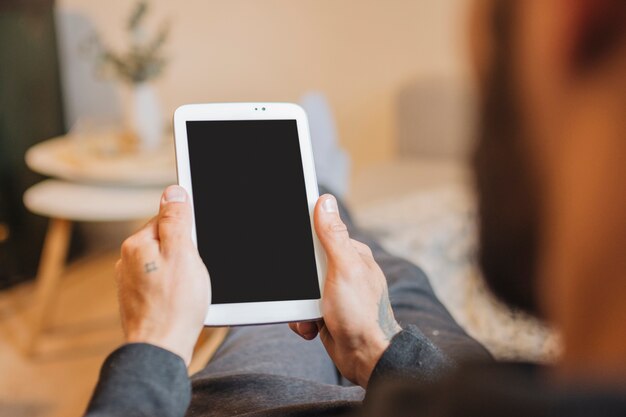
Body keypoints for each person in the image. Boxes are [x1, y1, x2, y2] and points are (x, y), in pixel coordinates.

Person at [85, 0, 626, 415]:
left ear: (572, 21)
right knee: (381, 272)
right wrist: (373, 346)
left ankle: (316, 186)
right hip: (425, 380)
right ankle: (319, 188)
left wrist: (155, 344)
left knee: (282, 316)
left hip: (261, 402)